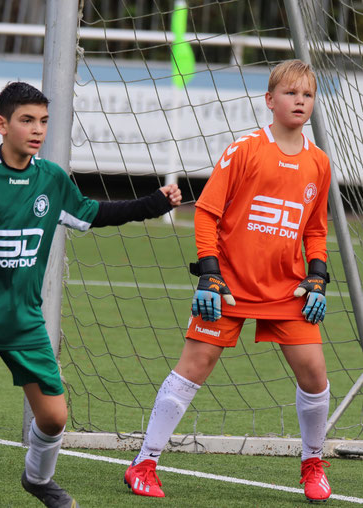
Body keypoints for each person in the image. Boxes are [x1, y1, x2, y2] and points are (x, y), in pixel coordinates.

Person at [0, 81, 182, 508]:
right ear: (2, 124)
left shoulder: (51, 179)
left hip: (24, 321)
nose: (37, 130)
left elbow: (94, 213)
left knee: (55, 418)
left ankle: (38, 481)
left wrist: (153, 203)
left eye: (43, 121)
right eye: (27, 120)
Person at [124, 59, 332, 503]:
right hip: (230, 286)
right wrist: (210, 275)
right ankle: (144, 462)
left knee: (314, 374)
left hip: (286, 290)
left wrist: (316, 275)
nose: (299, 101)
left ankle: (313, 463)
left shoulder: (319, 163)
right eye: (290, 93)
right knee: (194, 366)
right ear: (269, 100)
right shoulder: (246, 149)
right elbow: (207, 213)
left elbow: (315, 228)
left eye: (307, 94)